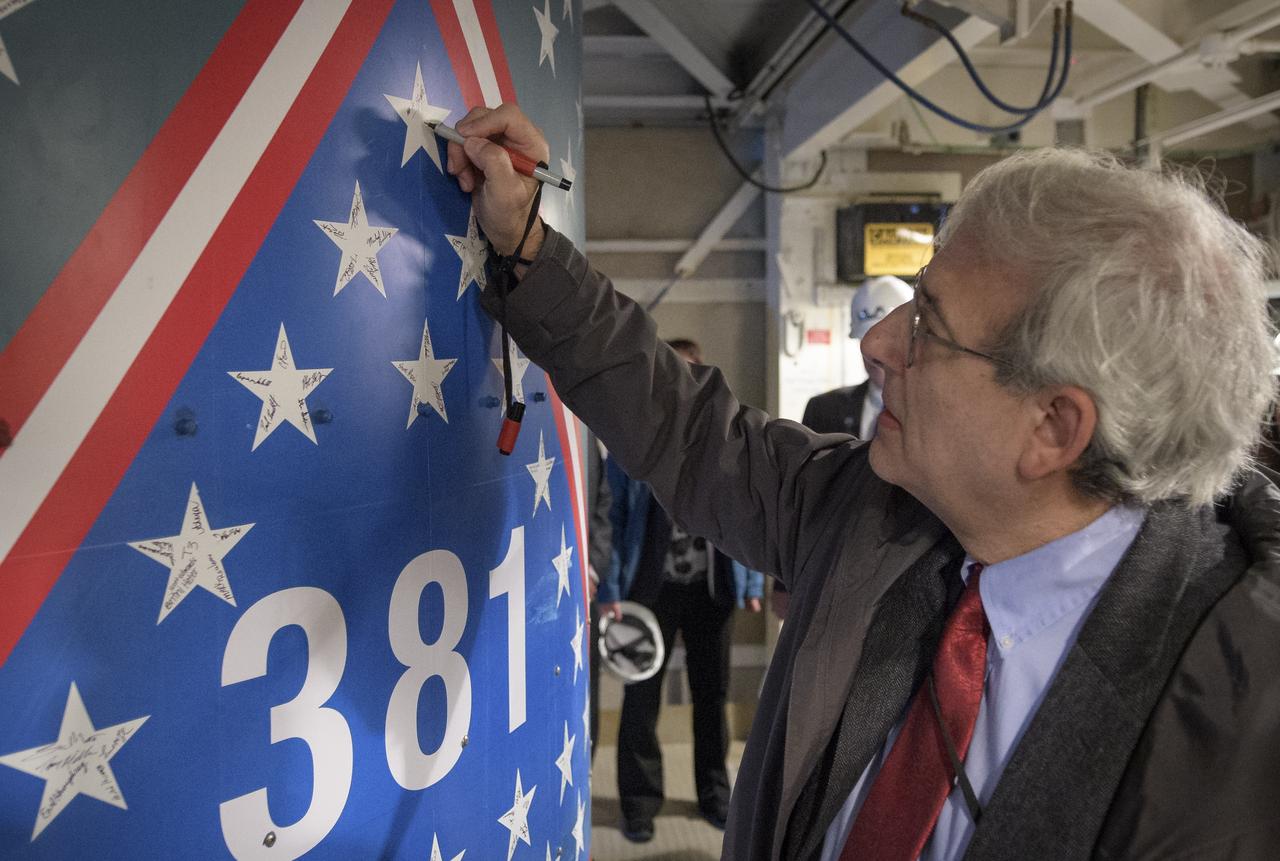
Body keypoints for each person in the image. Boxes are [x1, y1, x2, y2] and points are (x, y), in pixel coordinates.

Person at [447, 104, 1280, 860]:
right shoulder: (867, 510)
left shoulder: (1237, 731)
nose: (877, 343)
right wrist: (526, 245)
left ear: (1053, 429)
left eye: (928, 325)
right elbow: (688, 427)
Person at [600, 336, 765, 843]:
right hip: (648, 591)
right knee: (641, 698)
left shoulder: (726, 438)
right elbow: (612, 516)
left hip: (710, 589)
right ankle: (639, 804)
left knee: (712, 697)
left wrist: (753, 580)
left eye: (693, 373)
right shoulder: (631, 442)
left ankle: (716, 797)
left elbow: (747, 516)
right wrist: (609, 588)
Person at [802, 275, 914, 437]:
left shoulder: (935, 410)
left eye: (890, 341)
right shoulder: (823, 410)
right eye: (866, 340)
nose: (876, 354)